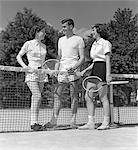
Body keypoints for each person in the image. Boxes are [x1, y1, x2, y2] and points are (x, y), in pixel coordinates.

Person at [44, 18, 85, 128]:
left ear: (71, 27)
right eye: (62, 27)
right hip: (62, 71)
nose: (62, 29)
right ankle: (54, 121)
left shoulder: (79, 39)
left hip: (73, 71)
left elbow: (82, 58)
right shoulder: (60, 40)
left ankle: (73, 120)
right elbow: (59, 57)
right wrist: (56, 70)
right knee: (57, 95)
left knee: (74, 96)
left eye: (64, 27)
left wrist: (74, 68)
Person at [78, 24, 112, 130]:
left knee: (103, 97)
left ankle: (106, 122)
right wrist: (85, 70)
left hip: (102, 69)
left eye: (93, 30)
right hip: (94, 69)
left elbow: (107, 59)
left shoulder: (105, 43)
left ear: (98, 31)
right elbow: (95, 61)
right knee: (88, 96)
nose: (91, 32)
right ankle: (91, 123)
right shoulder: (94, 44)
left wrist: (108, 74)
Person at [16, 26, 48, 131]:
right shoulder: (28, 43)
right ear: (36, 32)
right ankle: (33, 122)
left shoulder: (44, 46)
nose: (44, 33)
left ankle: (34, 123)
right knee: (37, 96)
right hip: (31, 72)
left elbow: (43, 62)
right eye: (42, 31)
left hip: (42, 73)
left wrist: (48, 70)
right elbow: (18, 56)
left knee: (36, 99)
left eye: (44, 32)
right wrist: (25, 67)